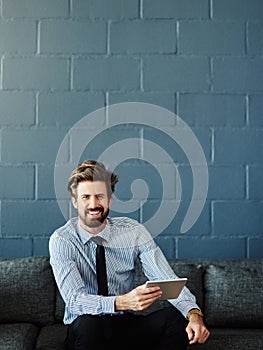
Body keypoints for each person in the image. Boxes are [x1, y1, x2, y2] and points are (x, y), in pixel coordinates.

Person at [49, 160, 210, 350]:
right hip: (85, 328)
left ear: (110, 199)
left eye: (100, 196)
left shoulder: (133, 231)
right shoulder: (62, 239)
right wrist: (122, 302)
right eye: (86, 197)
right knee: (89, 324)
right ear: (75, 201)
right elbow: (75, 301)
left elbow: (166, 280)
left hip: (123, 324)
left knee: (175, 319)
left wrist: (194, 314)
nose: (94, 204)